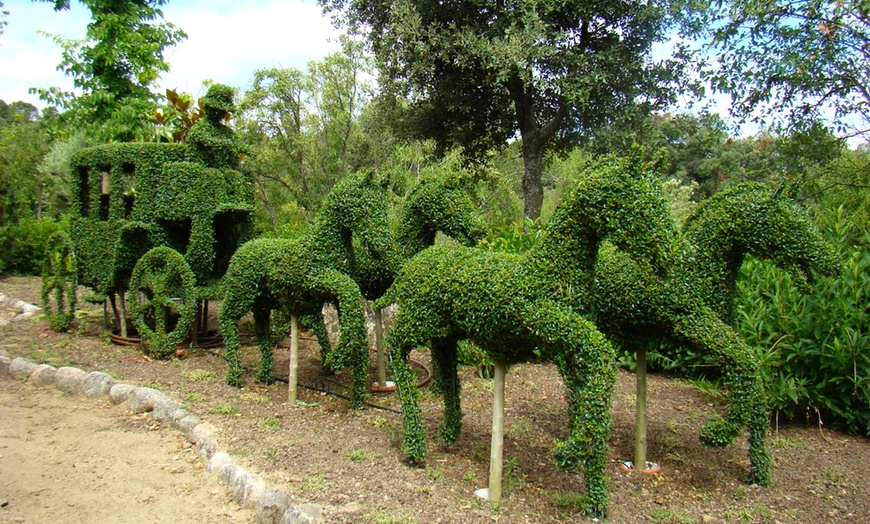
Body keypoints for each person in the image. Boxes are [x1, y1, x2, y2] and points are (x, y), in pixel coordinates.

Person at [188, 83, 244, 169]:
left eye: (222, 111)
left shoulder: (225, 131)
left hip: (222, 167)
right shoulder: (201, 127)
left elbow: (237, 143)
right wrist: (220, 143)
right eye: (215, 109)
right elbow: (203, 138)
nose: (218, 113)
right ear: (207, 107)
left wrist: (248, 149)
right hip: (201, 165)